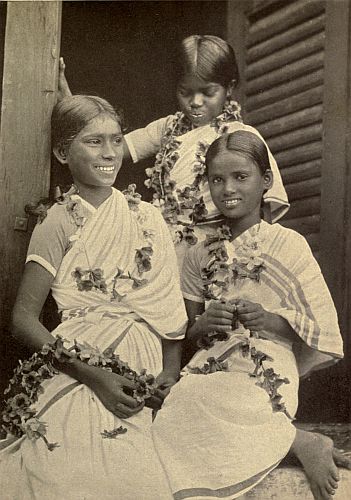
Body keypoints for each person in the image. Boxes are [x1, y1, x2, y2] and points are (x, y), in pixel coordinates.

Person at [0, 95, 187, 500]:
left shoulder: (148, 217)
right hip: (82, 364)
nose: (109, 154)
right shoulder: (58, 221)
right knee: (70, 464)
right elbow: (23, 320)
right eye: (94, 141)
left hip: (145, 368)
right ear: (62, 152)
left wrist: (169, 375)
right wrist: (94, 376)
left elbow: (171, 312)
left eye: (116, 140)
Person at [151, 130, 350, 500]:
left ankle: (302, 442)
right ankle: (294, 442)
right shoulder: (199, 252)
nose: (227, 188)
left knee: (232, 399)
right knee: (182, 403)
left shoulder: (289, 244)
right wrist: (204, 325)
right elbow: (186, 331)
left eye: (240, 177)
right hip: (211, 362)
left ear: (266, 181)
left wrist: (269, 320)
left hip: (267, 363)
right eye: (216, 179)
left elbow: (319, 330)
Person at [58, 35, 289, 266]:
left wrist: (256, 260)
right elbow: (113, 146)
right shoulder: (167, 128)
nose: (195, 102)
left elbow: (266, 204)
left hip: (216, 251)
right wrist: (71, 105)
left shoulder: (242, 135)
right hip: (164, 244)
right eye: (185, 92)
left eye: (207, 92)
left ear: (229, 87)